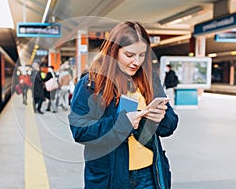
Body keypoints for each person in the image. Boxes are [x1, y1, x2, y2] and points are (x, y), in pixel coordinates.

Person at [68, 21, 178, 189]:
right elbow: (80, 130)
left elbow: (170, 124)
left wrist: (161, 118)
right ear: (113, 51)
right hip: (110, 177)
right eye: (129, 55)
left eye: (142, 55)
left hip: (149, 174)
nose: (137, 62)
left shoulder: (149, 81)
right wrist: (122, 124)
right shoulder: (90, 84)